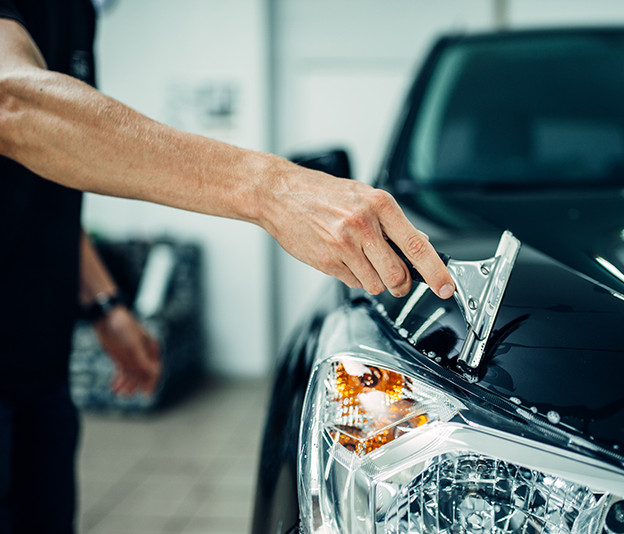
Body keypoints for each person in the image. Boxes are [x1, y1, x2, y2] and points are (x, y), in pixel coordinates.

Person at [0, 0, 454, 531]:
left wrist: (107, 308)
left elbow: (34, 198)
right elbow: (11, 102)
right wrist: (270, 188)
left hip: (41, 368)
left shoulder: (78, 14)